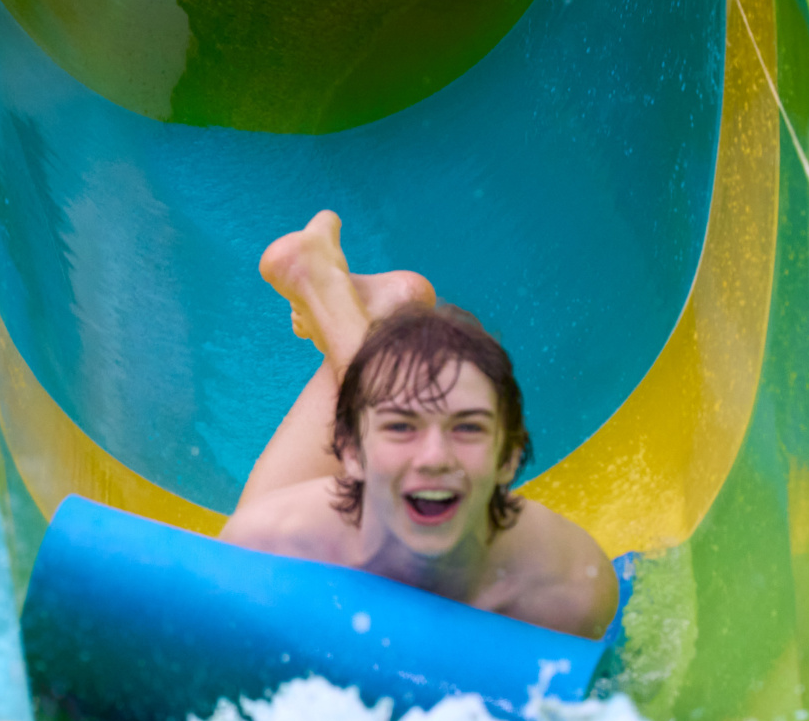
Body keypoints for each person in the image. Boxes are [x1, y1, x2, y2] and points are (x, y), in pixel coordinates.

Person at [223, 209, 617, 640]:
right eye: (402, 429)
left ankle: (364, 307)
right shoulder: (268, 547)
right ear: (348, 452)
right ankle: (329, 290)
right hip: (314, 525)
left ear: (510, 458)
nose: (434, 458)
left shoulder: (569, 594)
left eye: (468, 429)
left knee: (396, 405)